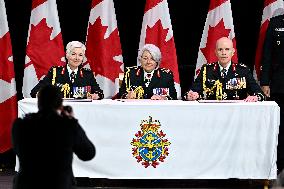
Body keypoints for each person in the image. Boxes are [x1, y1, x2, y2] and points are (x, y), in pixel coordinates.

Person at [12, 85, 96, 189]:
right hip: (59, 184)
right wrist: (72, 120)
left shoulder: (21, 125)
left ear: (39, 103)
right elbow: (88, 153)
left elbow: (17, 150)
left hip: (27, 184)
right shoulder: (67, 125)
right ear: (61, 105)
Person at [185, 37, 264, 102]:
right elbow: (192, 91)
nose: (223, 53)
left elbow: (259, 93)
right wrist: (191, 95)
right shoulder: (207, 70)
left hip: (236, 113)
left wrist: (256, 97)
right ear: (215, 52)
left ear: (232, 52)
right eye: (220, 49)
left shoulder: (243, 71)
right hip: (213, 113)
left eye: (227, 49)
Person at [30, 41, 104, 100]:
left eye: (80, 55)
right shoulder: (55, 72)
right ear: (67, 55)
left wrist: (95, 96)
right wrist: (45, 96)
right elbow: (35, 91)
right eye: (73, 54)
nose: (77, 58)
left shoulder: (87, 74)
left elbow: (100, 93)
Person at [260, 14, 284, 173]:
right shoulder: (276, 22)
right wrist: (265, 81)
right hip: (279, 84)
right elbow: (267, 53)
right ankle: (279, 166)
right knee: (280, 128)